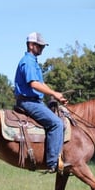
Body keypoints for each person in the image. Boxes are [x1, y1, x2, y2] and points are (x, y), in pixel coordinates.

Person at [14, 32, 68, 173]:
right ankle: (52, 162)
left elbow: (41, 85)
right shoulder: (28, 62)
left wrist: (55, 96)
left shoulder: (33, 62)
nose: (42, 48)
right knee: (57, 123)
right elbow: (34, 84)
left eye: (43, 46)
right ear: (31, 46)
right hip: (28, 102)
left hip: (35, 101)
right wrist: (54, 93)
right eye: (40, 46)